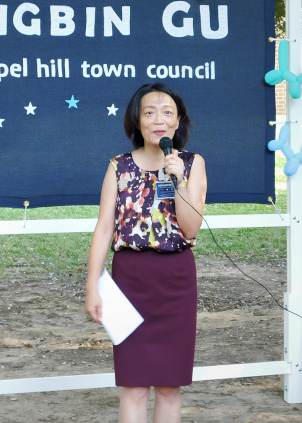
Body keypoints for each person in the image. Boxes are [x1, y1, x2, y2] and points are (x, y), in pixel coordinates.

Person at [85, 83, 207, 423]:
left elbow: (191, 229)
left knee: (169, 386)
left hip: (176, 280)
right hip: (130, 280)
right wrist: (91, 285)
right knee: (135, 385)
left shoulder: (192, 163)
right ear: (137, 120)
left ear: (178, 121)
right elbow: (104, 228)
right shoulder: (118, 166)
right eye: (149, 112)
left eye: (167, 113)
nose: (159, 120)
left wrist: (179, 181)